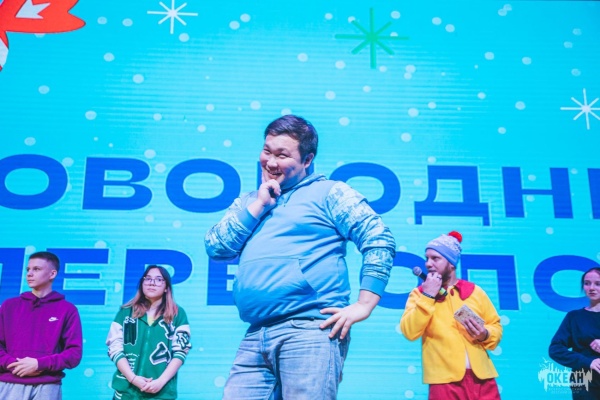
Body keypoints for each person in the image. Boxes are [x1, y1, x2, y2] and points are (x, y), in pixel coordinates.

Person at [205, 114, 396, 399]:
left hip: (310, 331)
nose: (271, 162)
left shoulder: (330, 193)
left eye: (282, 155)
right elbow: (216, 247)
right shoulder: (249, 201)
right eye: (267, 151)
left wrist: (364, 305)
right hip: (255, 334)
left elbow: (378, 237)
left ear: (307, 160)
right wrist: (259, 205)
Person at [400, 231, 502, 400]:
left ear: (451, 263)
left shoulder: (474, 292)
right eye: (427, 258)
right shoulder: (419, 295)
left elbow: (495, 326)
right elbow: (409, 332)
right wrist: (428, 296)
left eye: (435, 258)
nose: (428, 264)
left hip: (483, 380)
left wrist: (485, 334)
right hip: (444, 383)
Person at [0, 251, 83, 400]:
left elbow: (74, 354)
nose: (29, 274)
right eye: (28, 269)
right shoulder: (9, 306)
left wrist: (39, 364)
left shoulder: (67, 310)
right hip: (9, 383)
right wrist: (15, 365)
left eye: (36, 269)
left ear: (52, 274)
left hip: (48, 386)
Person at [106, 265, 192, 400]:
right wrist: (133, 378)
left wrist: (161, 382)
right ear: (142, 283)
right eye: (148, 278)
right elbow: (115, 348)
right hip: (127, 391)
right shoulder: (125, 312)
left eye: (159, 279)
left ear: (166, 287)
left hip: (161, 393)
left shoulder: (177, 314)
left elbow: (180, 352)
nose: (152, 283)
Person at [549, 267, 600, 399]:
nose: (592, 288)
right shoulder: (575, 317)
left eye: (598, 284)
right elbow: (555, 349)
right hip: (585, 384)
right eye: (587, 283)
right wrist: (587, 362)